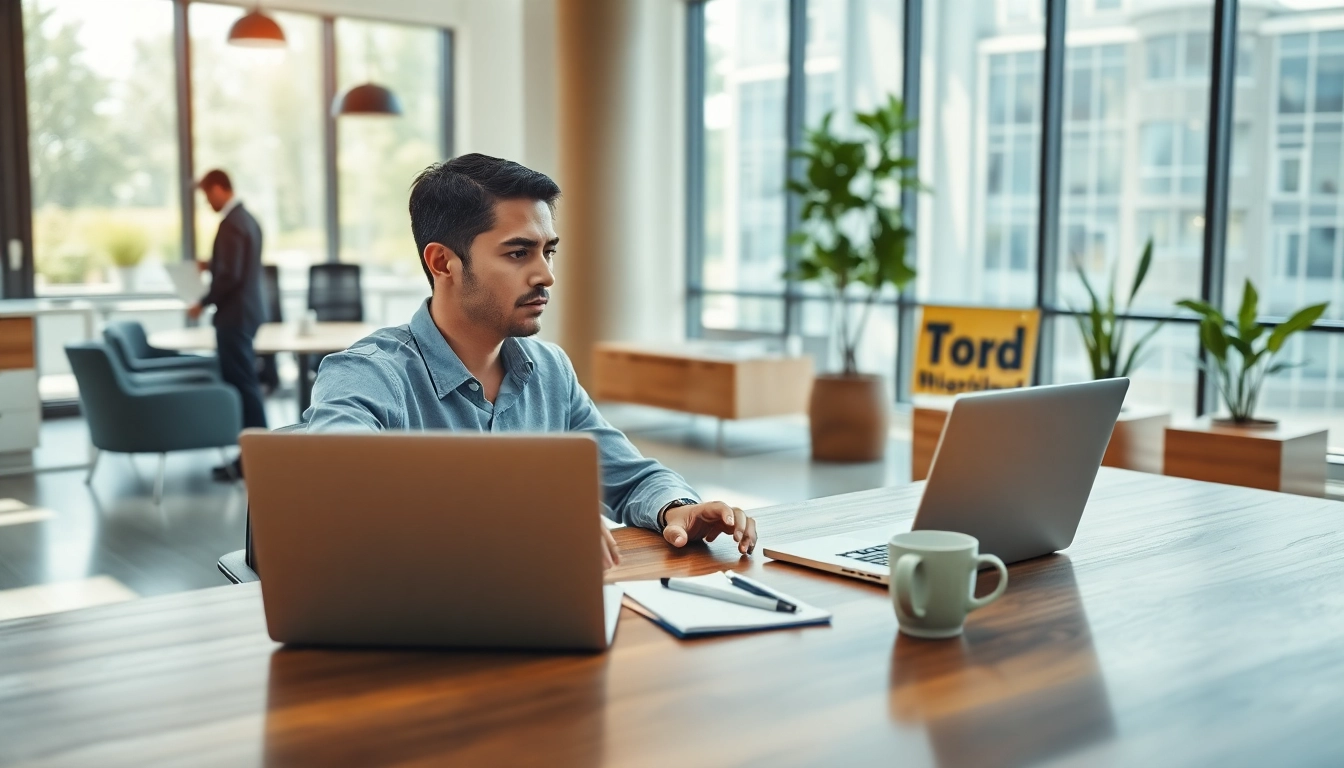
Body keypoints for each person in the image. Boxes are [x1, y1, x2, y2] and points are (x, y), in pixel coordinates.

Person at [303, 154, 757, 568]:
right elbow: (338, 481)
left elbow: (628, 478)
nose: (546, 275)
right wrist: (524, 515)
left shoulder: (549, 370)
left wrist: (676, 508)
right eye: (519, 253)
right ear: (443, 263)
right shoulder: (368, 373)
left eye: (548, 251)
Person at [189, 169, 268, 480]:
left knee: (242, 386)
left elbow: (230, 276)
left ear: (220, 188)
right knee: (246, 383)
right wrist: (211, 264)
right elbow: (239, 266)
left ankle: (253, 459)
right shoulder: (247, 220)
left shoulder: (231, 224)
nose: (207, 202)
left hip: (234, 316)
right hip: (246, 313)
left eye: (208, 195)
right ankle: (256, 456)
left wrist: (202, 302)